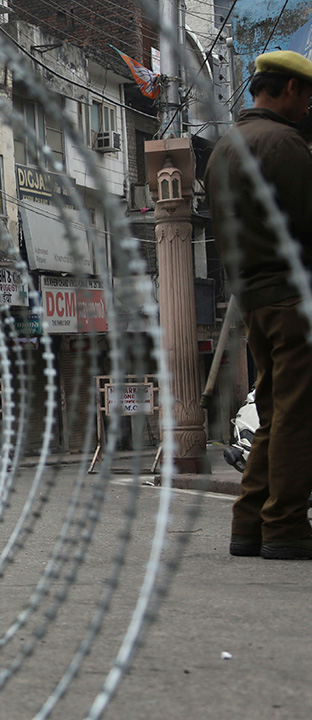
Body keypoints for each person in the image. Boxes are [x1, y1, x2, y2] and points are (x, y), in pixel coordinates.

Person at [205, 51, 312, 560]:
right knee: (296, 416)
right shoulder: (285, 144)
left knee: (274, 411)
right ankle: (285, 526)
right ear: (290, 89)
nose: (309, 104)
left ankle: (249, 523)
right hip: (294, 299)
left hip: (252, 299)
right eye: (307, 94)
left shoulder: (225, 147)